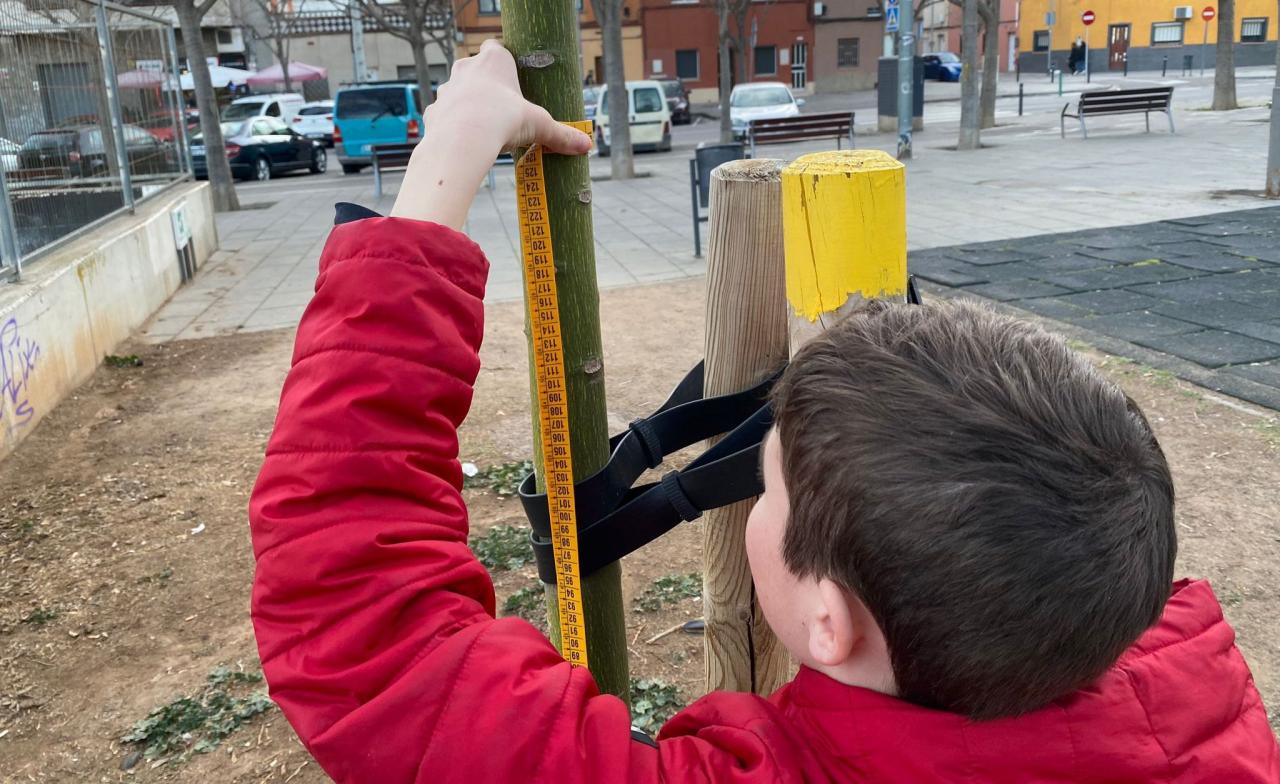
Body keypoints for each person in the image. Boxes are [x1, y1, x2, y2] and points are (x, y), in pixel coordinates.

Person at [248, 40, 1280, 783]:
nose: (752, 500)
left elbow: (359, 621)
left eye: (766, 488)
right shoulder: (1191, 711)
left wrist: (444, 166)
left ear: (825, 624)